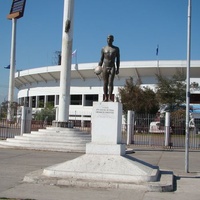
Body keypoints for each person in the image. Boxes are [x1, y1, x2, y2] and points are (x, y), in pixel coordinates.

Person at [98, 35, 120, 102]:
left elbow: (118, 59)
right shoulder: (103, 48)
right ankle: (105, 97)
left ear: (113, 40)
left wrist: (118, 68)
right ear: (106, 40)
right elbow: (101, 59)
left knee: (110, 82)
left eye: (110, 39)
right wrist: (98, 67)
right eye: (108, 39)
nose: (109, 40)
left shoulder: (116, 49)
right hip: (105, 66)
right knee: (105, 83)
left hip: (112, 67)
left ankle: (110, 97)